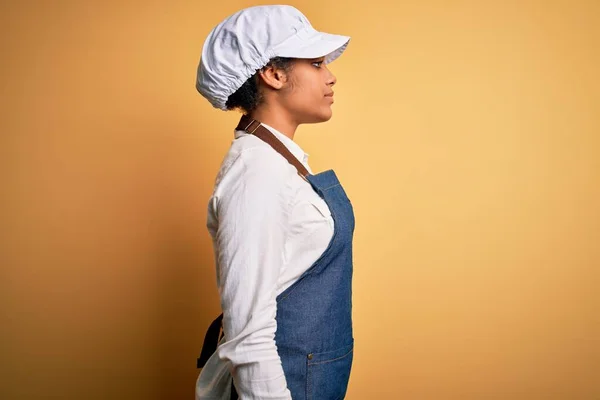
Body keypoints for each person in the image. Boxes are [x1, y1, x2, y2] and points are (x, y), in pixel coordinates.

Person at [194, 5, 355, 400]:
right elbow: (249, 336)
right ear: (274, 73)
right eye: (316, 63)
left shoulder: (278, 162)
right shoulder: (256, 174)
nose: (330, 76)